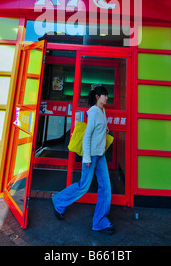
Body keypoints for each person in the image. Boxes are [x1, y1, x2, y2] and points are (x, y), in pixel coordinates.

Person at [52, 85, 114, 234]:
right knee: (84, 186)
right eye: (104, 95)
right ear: (97, 97)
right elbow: (87, 136)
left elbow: (99, 130)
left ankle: (100, 222)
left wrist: (105, 130)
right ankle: (59, 201)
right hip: (91, 155)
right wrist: (86, 157)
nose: (107, 97)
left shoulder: (102, 110)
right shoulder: (93, 112)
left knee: (106, 187)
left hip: (100, 155)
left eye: (107, 95)